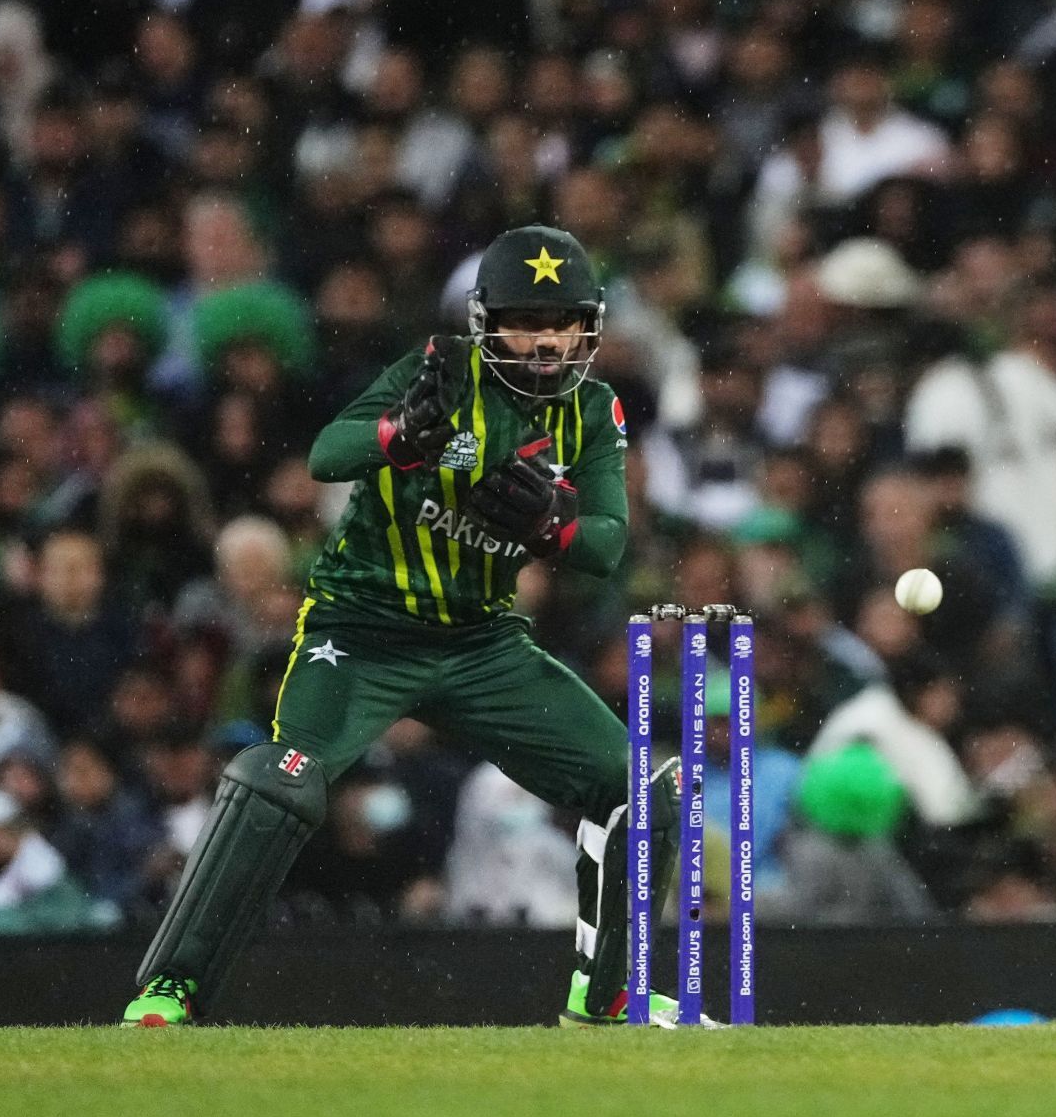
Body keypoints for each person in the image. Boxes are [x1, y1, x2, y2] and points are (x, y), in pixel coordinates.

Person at [121, 225, 682, 1028]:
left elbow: (604, 546)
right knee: (281, 780)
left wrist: (551, 525)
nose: (548, 338)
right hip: (363, 628)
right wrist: (399, 436)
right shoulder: (437, 370)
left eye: (564, 321)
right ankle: (168, 990)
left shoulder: (594, 408)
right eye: (527, 319)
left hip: (480, 642)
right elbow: (325, 454)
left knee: (635, 792)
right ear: (486, 323)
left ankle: (608, 999)